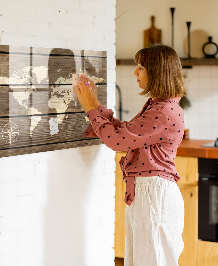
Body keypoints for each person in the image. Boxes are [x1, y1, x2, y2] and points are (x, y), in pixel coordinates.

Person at [74, 44, 186, 266]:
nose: (135, 72)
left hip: (154, 195)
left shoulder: (163, 111)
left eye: (141, 67)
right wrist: (95, 104)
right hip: (149, 193)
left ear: (157, 72)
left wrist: (89, 108)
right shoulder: (159, 106)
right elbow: (125, 133)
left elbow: (117, 141)